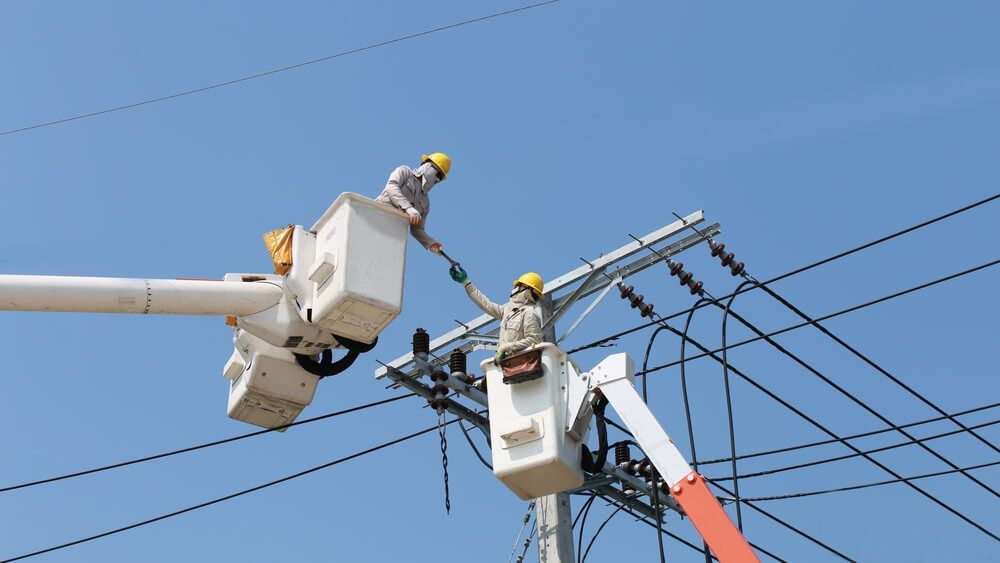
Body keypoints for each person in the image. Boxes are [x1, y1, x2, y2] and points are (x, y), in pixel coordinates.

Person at [449, 266, 544, 362]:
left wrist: (506, 347)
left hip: (522, 364)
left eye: (517, 286)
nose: (514, 288)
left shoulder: (529, 313)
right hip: (508, 367)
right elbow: (485, 303)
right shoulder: (507, 312)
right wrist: (466, 282)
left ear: (527, 290)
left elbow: (534, 340)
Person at [375, 152, 451, 255]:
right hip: (375, 216)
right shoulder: (404, 172)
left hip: (392, 232)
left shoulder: (425, 203)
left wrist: (430, 243)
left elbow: (417, 229)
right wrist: (408, 208)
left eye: (440, 178)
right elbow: (391, 187)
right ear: (427, 166)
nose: (437, 179)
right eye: (438, 174)